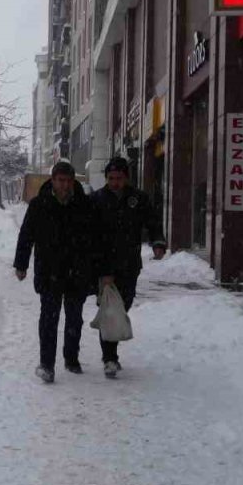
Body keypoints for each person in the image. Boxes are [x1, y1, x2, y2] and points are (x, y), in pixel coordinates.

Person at [13, 161, 99, 383]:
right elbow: (26, 235)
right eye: (61, 180)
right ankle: (47, 364)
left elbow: (96, 238)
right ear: (52, 180)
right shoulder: (39, 205)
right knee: (48, 320)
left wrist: (96, 268)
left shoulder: (84, 205)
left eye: (69, 180)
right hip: (49, 270)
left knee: (74, 318)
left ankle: (71, 358)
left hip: (77, 271)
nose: (65, 185)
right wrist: (21, 264)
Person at [90, 156, 166, 378]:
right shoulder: (96, 200)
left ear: (126, 178)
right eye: (111, 178)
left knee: (124, 304)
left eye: (119, 178)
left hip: (129, 263)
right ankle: (109, 358)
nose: (115, 182)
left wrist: (158, 242)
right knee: (109, 309)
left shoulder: (138, 199)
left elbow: (153, 222)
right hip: (104, 264)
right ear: (106, 178)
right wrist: (97, 269)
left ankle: (111, 353)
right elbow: (88, 234)